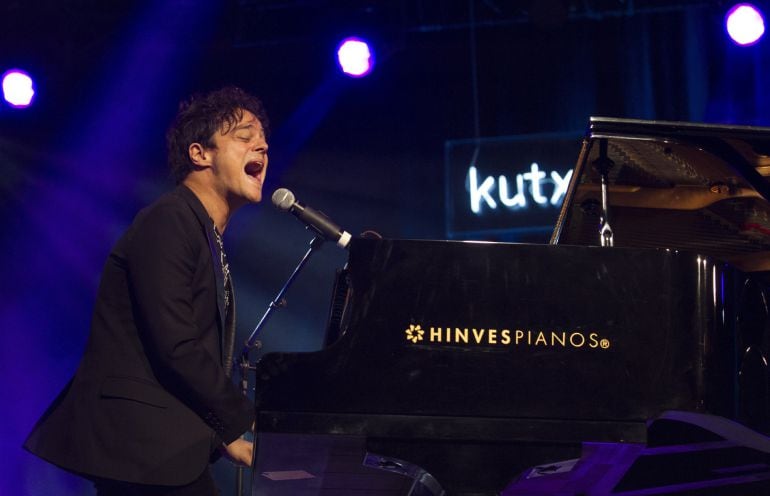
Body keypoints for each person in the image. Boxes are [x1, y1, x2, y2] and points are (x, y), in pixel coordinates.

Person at [24, 86, 269, 495]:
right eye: (244, 136)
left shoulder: (202, 233)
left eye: (263, 140)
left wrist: (221, 438)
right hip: (139, 448)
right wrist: (250, 417)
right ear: (200, 153)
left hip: (158, 448)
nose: (261, 145)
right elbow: (174, 344)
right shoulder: (170, 220)